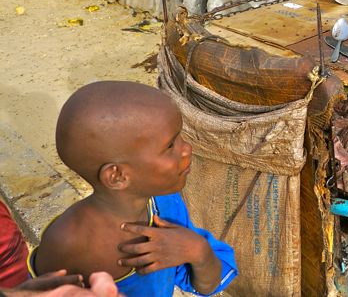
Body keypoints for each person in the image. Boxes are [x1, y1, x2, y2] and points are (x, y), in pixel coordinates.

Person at [27, 81, 238, 297]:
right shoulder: (67, 243)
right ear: (117, 176)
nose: (186, 149)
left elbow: (207, 284)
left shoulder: (164, 205)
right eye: (170, 146)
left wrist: (199, 251)